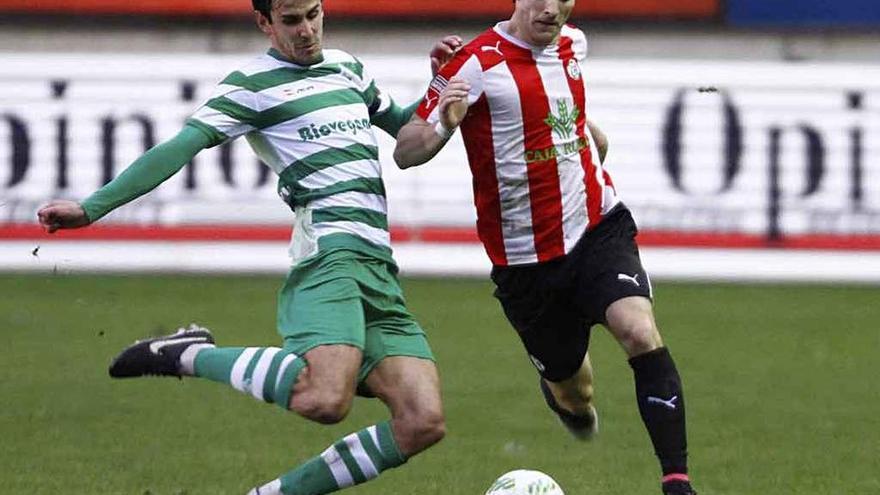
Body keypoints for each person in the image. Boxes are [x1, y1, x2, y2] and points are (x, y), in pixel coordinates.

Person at [37, 1, 462, 494]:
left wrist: (437, 87)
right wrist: (93, 207)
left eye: (313, 14)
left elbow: (406, 132)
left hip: (379, 266)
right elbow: (180, 146)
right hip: (330, 254)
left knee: (422, 420)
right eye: (291, 20)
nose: (306, 30)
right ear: (265, 23)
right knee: (324, 398)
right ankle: (189, 355)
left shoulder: (347, 68)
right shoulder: (251, 85)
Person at [393, 1, 697, 494]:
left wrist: (590, 142)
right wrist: (446, 123)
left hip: (597, 227)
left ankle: (677, 481)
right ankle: (567, 405)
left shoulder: (573, 44)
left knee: (638, 331)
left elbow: (570, 122)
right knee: (576, 392)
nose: (552, 10)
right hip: (525, 262)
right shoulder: (474, 62)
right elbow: (406, 150)